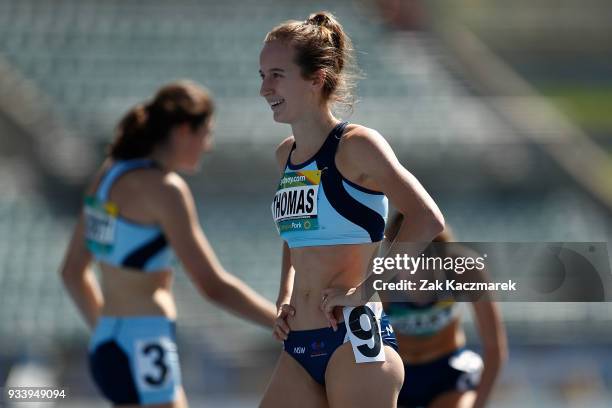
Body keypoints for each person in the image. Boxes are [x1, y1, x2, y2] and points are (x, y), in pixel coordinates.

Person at [259, 11, 445, 407]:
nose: (265, 88)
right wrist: (284, 296)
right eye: (262, 76)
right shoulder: (284, 157)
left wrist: (366, 290)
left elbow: (427, 218)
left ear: (316, 78)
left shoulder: (357, 145)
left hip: (353, 339)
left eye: (276, 74)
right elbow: (296, 234)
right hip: (299, 342)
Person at [59, 80, 277, 408]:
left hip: (108, 344)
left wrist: (109, 332)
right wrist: (282, 324)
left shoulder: (107, 175)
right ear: (183, 131)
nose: (209, 145)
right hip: (146, 340)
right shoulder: (166, 190)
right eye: (207, 133)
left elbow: (72, 272)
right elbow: (212, 285)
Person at [383, 213, 508, 408]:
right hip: (400, 373)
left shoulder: (466, 270)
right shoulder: (377, 279)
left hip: (450, 371)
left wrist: (478, 404)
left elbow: (494, 349)